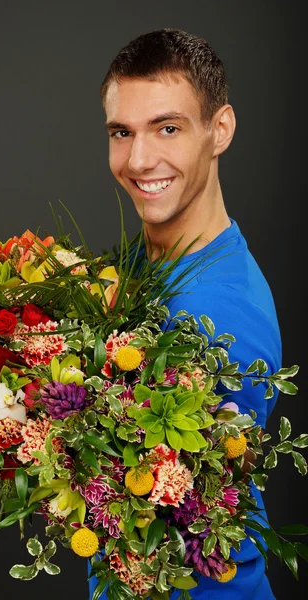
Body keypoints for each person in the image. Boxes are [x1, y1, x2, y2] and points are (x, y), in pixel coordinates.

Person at [88, 28, 281, 599]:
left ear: (218, 130)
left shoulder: (218, 313)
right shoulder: (141, 260)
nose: (139, 159)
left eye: (167, 128)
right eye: (122, 133)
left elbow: (186, 523)